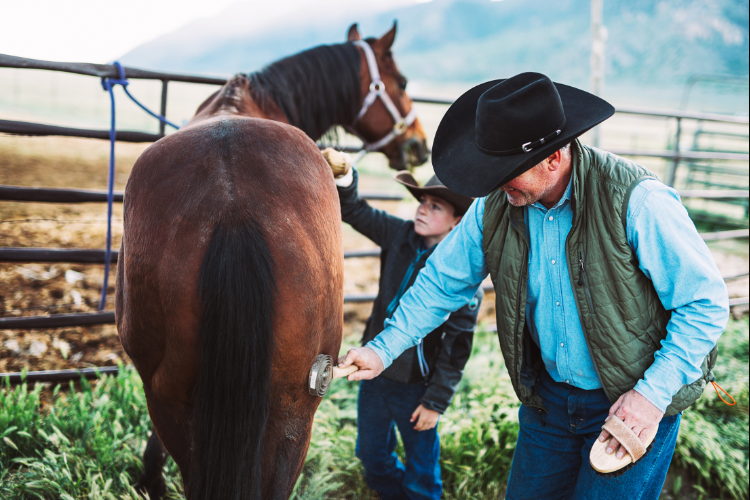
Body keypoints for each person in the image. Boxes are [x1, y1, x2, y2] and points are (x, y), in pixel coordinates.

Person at [337, 73, 729, 499]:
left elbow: (704, 303)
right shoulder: (496, 206)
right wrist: (382, 348)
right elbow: (441, 283)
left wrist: (650, 398)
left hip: (630, 404)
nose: (494, 182)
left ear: (554, 157)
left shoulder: (637, 201)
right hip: (549, 404)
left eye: (505, 171)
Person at [332, 162, 484, 500]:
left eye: (435, 206)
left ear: (457, 220)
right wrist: (344, 176)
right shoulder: (399, 234)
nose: (422, 210)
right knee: (372, 456)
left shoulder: (462, 279)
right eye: (422, 201)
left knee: (421, 470)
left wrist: (435, 402)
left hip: (417, 387)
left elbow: (457, 347)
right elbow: (355, 210)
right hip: (372, 374)